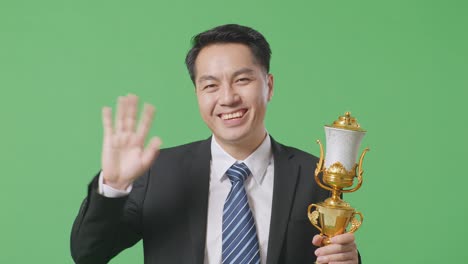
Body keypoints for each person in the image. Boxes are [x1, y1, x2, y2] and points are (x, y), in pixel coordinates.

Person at [71, 24, 361, 264]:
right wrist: (113, 186)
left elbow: (332, 252)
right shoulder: (158, 173)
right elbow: (89, 253)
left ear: (269, 85)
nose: (228, 98)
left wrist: (350, 259)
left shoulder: (316, 174)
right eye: (210, 85)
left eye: (242, 80)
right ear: (197, 92)